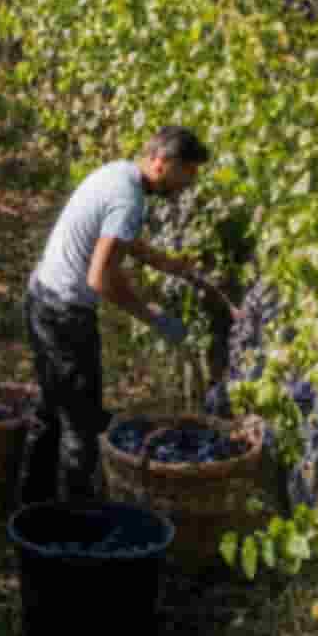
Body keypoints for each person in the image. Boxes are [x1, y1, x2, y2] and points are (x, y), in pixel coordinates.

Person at [17, 126, 230, 508]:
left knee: (52, 409)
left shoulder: (116, 174)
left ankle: (30, 504)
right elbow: (100, 278)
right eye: (187, 176)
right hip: (65, 316)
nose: (186, 188)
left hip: (41, 298)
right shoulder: (129, 200)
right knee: (81, 427)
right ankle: (71, 526)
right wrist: (153, 316)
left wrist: (173, 266)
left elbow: (122, 240)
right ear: (163, 163)